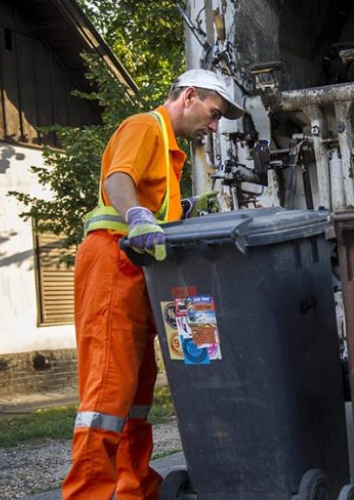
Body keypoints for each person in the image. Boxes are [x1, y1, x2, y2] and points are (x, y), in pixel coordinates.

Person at [62, 69, 243, 500]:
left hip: (141, 271)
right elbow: (118, 180)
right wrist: (138, 217)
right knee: (108, 392)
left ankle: (134, 487)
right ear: (190, 96)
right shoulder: (145, 125)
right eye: (214, 114)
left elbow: (149, 198)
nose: (214, 126)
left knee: (138, 389)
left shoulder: (169, 149)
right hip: (112, 262)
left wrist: (178, 211)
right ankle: (88, 493)